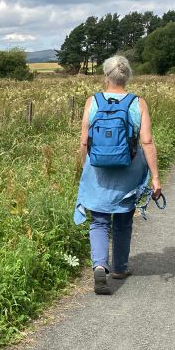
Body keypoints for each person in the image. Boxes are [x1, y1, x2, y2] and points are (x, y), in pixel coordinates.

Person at [73, 56, 161, 295]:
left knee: (99, 221)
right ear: (127, 76)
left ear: (106, 76)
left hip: (97, 168)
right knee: (123, 219)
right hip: (128, 168)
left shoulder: (92, 101)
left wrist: (84, 169)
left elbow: (84, 141)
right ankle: (120, 268)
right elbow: (147, 142)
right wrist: (155, 178)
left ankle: (100, 265)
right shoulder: (138, 103)